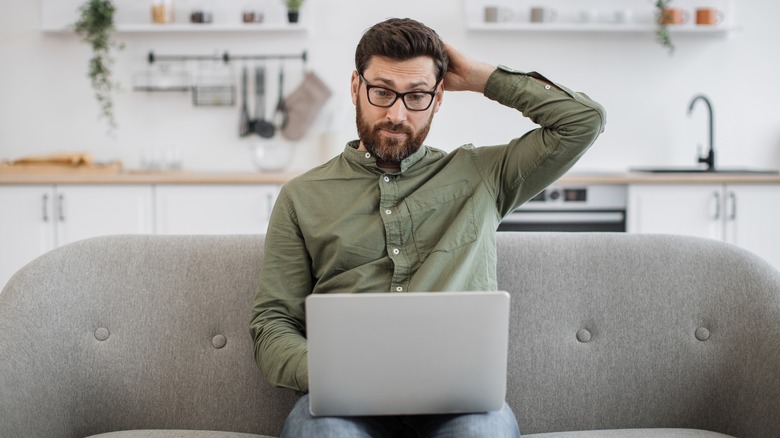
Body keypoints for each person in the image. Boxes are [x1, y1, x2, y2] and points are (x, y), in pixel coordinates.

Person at [250, 17, 605, 438]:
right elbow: (272, 323)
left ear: (439, 98)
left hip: (458, 403)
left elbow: (583, 122)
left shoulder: (481, 175)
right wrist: (330, 372)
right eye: (381, 91)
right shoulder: (301, 196)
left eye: (417, 95)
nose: (396, 114)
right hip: (341, 405)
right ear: (355, 88)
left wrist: (481, 78)